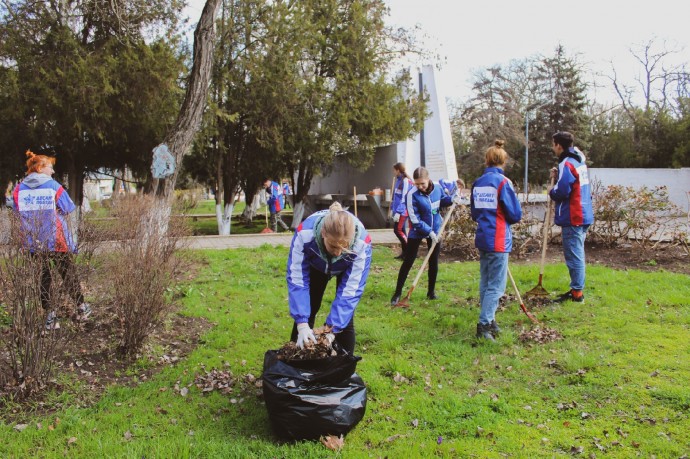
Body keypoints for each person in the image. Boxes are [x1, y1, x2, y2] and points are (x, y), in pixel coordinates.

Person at [12, 150, 92, 330]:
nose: (53, 172)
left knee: (44, 277)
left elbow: (17, 212)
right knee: (68, 273)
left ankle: (50, 317)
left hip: (33, 242)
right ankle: (81, 308)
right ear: (40, 168)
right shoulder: (53, 186)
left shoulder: (19, 188)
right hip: (55, 239)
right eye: (50, 167)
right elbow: (68, 207)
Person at [286, 202, 372, 354]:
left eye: (343, 247)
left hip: (347, 265)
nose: (338, 252)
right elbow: (297, 279)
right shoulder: (305, 234)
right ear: (323, 233)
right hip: (316, 265)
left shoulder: (361, 243)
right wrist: (302, 324)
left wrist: (332, 330)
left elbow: (350, 292)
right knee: (311, 305)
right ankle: (295, 362)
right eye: (333, 246)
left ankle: (343, 371)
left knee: (346, 321)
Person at [470, 140, 522, 340]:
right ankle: (484, 325)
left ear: (487, 160)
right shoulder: (503, 183)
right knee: (497, 285)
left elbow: (474, 213)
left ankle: (490, 320)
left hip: (482, 236)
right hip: (498, 238)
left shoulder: (477, 183)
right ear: (503, 161)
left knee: (486, 281)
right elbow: (515, 213)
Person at [390, 167, 460, 305]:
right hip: (418, 230)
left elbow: (443, 200)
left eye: (423, 183)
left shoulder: (438, 188)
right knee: (408, 260)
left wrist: (452, 199)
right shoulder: (412, 194)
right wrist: (429, 232)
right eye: (417, 184)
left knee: (433, 261)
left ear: (428, 179)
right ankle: (397, 293)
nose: (420, 187)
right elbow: (415, 219)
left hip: (436, 228)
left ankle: (431, 293)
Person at [548, 131, 594, 303]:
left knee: (574, 256)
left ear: (559, 145)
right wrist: (558, 175)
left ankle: (577, 294)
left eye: (553, 144)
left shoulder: (567, 163)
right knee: (578, 253)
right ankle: (576, 289)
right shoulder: (578, 160)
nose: (553, 148)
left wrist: (551, 191)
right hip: (584, 213)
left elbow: (563, 190)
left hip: (574, 215)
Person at [390, 162, 415, 259]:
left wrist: (399, 212)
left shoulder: (405, 181)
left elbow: (405, 197)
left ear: (398, 170)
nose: (393, 172)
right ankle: (405, 253)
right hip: (398, 209)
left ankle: (410, 250)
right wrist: (393, 209)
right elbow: (396, 196)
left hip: (403, 210)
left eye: (394, 170)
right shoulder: (398, 180)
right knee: (402, 230)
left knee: (397, 230)